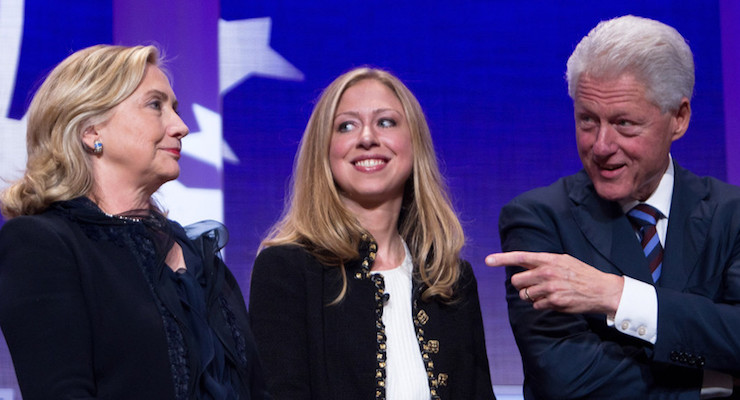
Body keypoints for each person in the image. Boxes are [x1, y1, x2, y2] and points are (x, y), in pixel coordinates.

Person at [486, 15, 740, 399]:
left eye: (624, 123)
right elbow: (565, 382)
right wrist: (714, 379)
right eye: (587, 120)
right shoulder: (538, 219)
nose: (601, 145)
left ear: (679, 118)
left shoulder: (732, 215)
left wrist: (617, 296)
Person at [0, 45, 269, 400]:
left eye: (175, 108)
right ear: (91, 129)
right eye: (156, 105)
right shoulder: (42, 244)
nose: (182, 127)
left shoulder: (201, 258)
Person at [249, 67, 494, 400]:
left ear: (414, 143)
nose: (367, 138)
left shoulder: (450, 278)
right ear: (325, 150)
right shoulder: (285, 269)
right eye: (346, 126)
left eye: (386, 122)